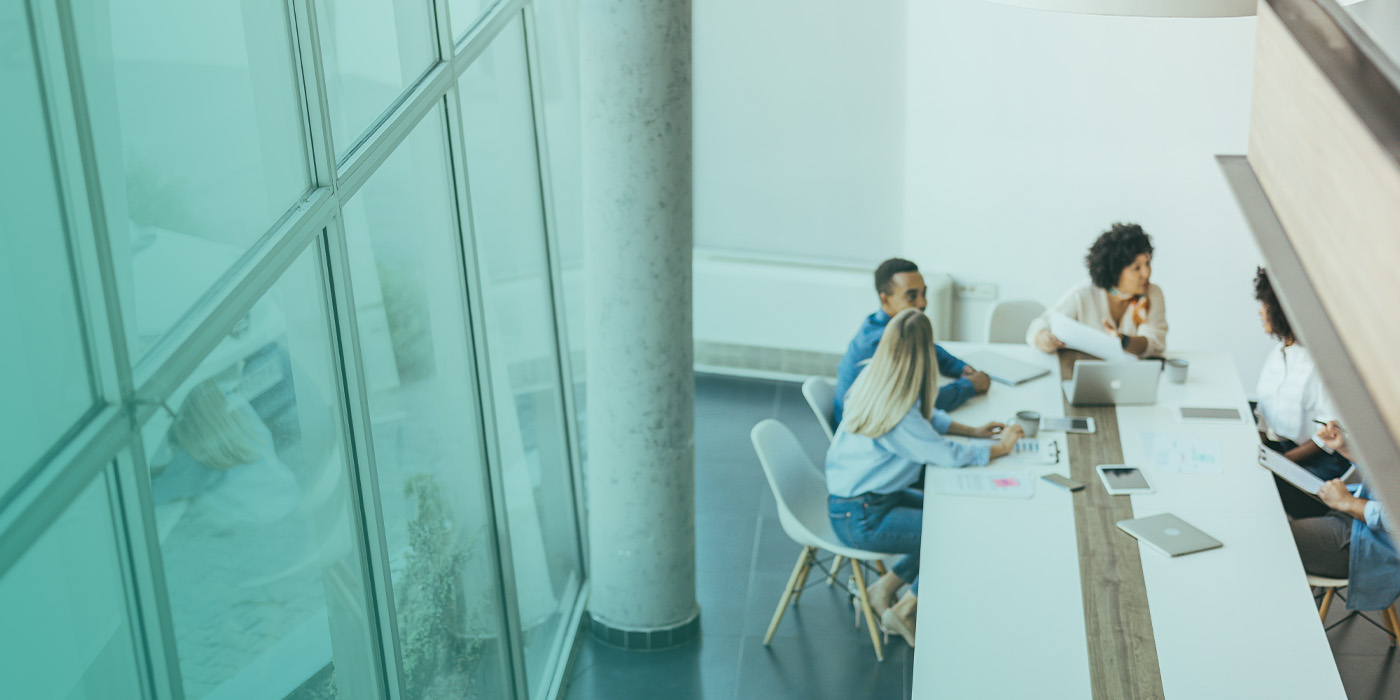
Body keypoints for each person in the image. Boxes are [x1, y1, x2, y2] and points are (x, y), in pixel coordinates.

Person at [826, 309, 1024, 647]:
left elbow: (926, 415)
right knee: (949, 537)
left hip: (866, 500)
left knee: (945, 519)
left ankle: (883, 590)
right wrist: (1000, 449)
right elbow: (943, 453)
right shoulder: (897, 412)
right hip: (861, 516)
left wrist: (972, 431)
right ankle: (903, 611)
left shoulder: (875, 376)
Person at [833, 258, 990, 425]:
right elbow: (917, 405)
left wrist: (960, 368)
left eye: (923, 293)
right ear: (885, 299)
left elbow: (929, 348)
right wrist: (969, 386)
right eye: (912, 296)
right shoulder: (880, 343)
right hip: (864, 431)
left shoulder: (882, 323)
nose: (922, 303)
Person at [1253, 268, 1349, 517]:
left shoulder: (1318, 361)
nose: (1260, 312)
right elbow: (1263, 411)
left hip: (1316, 462)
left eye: (1266, 305)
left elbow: (1326, 436)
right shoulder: (1280, 352)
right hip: (1283, 451)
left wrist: (1282, 461)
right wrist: (1261, 448)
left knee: (1262, 489)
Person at [1289, 422, 1400, 613]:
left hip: (1375, 547)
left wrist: (1349, 503)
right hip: (1358, 522)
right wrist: (1345, 448)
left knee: (1274, 539)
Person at [1026, 222, 1167, 357]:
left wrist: (1124, 341)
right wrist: (1043, 338)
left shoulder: (1153, 293)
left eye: (1148, 264)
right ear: (1115, 271)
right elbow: (1038, 326)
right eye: (1137, 268)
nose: (1146, 273)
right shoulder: (1083, 294)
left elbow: (1154, 343)